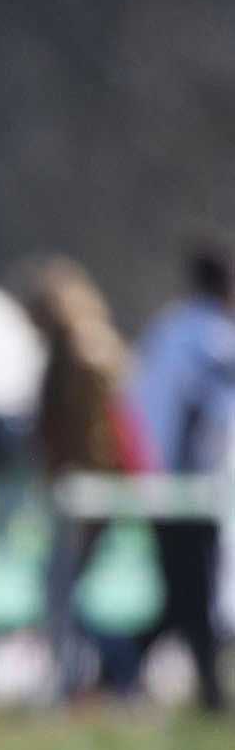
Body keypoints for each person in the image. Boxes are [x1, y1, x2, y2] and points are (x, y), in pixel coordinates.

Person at [23, 259, 151, 701]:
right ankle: (90, 678)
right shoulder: (68, 354)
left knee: (67, 591)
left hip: (89, 493)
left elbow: (93, 434)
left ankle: (118, 673)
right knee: (65, 590)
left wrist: (84, 491)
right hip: (76, 490)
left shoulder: (84, 356)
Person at [132, 239, 235, 711]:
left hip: (157, 482)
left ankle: (120, 673)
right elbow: (209, 415)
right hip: (192, 487)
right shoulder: (214, 339)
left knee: (179, 593)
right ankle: (210, 692)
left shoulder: (167, 328)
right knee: (196, 591)